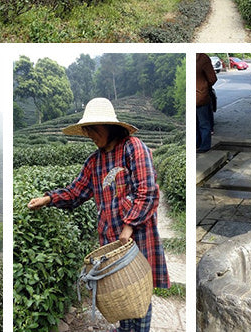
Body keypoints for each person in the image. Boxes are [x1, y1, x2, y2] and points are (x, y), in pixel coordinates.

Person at [27, 98, 167, 331]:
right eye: (88, 129)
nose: (91, 134)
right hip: (111, 242)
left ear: (110, 126)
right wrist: (48, 199)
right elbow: (76, 192)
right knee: (120, 294)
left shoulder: (133, 148)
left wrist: (129, 225)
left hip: (137, 241)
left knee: (139, 296)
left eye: (95, 128)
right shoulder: (94, 162)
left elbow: (148, 191)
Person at [196, 53, 217, 153]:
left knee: (199, 123)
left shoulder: (201, 58)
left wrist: (203, 86)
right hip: (200, 96)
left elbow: (212, 78)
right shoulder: (201, 57)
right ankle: (202, 145)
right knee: (202, 123)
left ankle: (200, 145)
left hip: (198, 97)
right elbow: (212, 78)